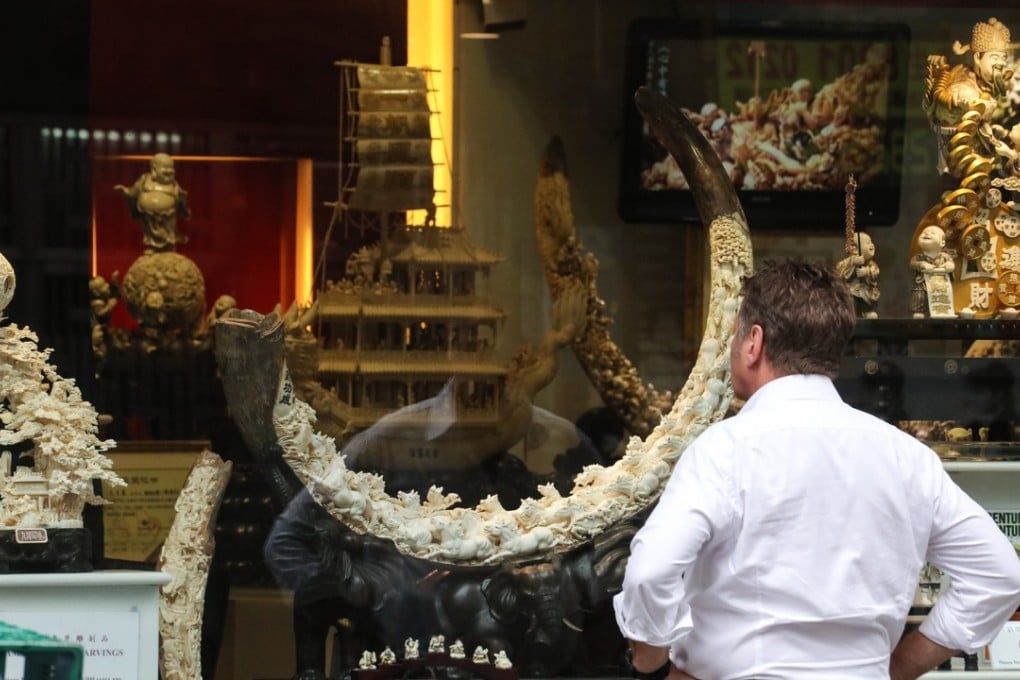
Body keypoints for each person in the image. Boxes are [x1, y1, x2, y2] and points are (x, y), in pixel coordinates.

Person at [613, 260, 1020, 680]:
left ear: (753, 342)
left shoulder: (724, 450)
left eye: (735, 334)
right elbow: (1000, 574)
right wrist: (897, 669)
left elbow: (650, 573)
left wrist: (651, 667)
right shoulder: (907, 458)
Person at [114, 152, 192, 252]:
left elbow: (180, 198)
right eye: (165, 168)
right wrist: (125, 192)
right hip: (148, 216)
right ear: (154, 169)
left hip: (168, 215)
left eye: (171, 168)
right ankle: (153, 248)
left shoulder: (173, 185)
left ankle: (169, 248)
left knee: (168, 233)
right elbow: (134, 191)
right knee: (151, 233)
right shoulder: (144, 180)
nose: (169, 171)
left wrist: (183, 207)